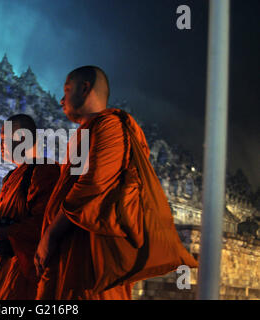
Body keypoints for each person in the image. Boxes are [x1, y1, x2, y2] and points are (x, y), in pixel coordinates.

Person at [34, 66, 198, 300]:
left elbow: (93, 186)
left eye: (67, 90)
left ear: (85, 88)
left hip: (91, 258)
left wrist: (51, 233)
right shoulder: (85, 134)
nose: (61, 100)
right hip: (67, 252)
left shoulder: (111, 126)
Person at [0, 114, 60, 300]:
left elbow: (45, 224)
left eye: (3, 138)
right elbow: (12, 215)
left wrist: (5, 231)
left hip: (18, 275)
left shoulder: (44, 171)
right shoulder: (12, 177)